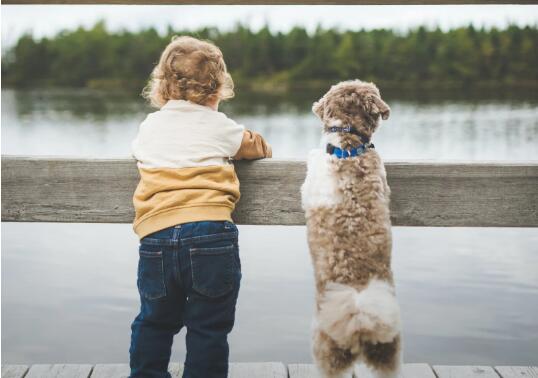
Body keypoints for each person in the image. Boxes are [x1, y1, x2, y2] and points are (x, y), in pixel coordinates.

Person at [129, 35, 272, 378]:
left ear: (162, 86)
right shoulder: (219, 126)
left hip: (156, 237)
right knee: (209, 327)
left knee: (154, 322)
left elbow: (138, 152)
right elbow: (258, 148)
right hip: (211, 235)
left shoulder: (150, 126)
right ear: (217, 89)